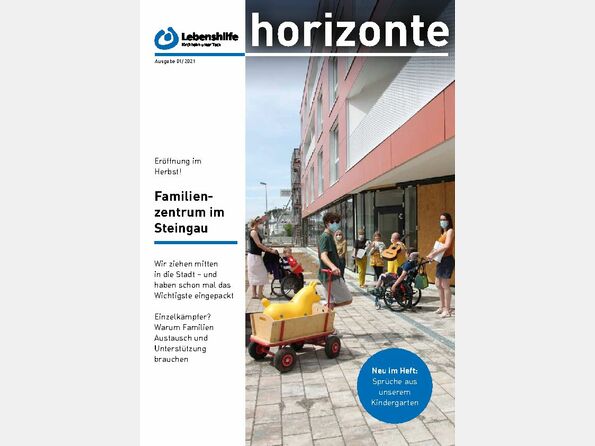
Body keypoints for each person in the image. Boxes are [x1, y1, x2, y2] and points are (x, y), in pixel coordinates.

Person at [318, 212, 352, 307]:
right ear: (327, 223)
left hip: (329, 276)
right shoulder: (325, 237)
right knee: (348, 299)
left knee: (331, 303)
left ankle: (328, 306)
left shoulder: (330, 236)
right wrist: (333, 267)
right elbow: (323, 255)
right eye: (333, 222)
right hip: (329, 276)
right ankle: (327, 306)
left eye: (337, 222)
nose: (336, 224)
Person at [427, 212, 455, 317]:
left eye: (444, 219)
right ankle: (442, 306)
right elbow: (437, 247)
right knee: (438, 284)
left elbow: (446, 246)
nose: (442, 221)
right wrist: (431, 256)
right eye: (441, 220)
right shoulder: (443, 233)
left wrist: (434, 254)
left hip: (447, 260)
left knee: (445, 285)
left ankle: (447, 310)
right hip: (441, 260)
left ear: (448, 220)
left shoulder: (450, 231)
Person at [247, 216, 278, 299]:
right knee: (263, 274)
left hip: (254, 256)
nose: (262, 224)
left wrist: (267, 248)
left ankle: (254, 294)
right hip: (254, 257)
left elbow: (259, 245)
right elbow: (258, 244)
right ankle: (260, 294)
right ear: (256, 223)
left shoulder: (254, 231)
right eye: (261, 222)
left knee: (254, 275)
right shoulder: (253, 232)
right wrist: (270, 251)